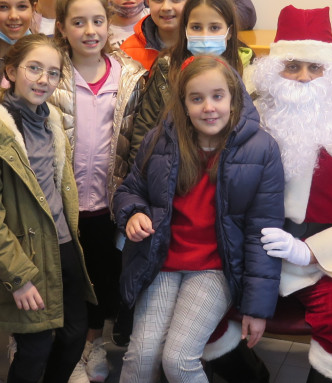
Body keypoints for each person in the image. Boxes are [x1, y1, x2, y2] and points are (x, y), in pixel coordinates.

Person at [207, 5, 332, 383]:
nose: (304, 78)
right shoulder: (248, 116)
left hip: (326, 261)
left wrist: (310, 251)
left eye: (315, 67)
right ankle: (251, 377)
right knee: (202, 310)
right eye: (292, 66)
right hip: (250, 251)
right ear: (274, 71)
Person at [114, 55, 285, 383]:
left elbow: (263, 233)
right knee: (141, 356)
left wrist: (256, 308)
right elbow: (129, 191)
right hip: (162, 262)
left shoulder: (261, 149)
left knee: (178, 360)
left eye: (218, 96)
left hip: (215, 269)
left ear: (233, 98)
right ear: (183, 104)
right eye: (197, 98)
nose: (209, 107)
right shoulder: (160, 140)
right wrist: (133, 212)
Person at [0, 34, 97, 383]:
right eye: (34, 68)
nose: (43, 80)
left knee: (73, 334)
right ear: (10, 70)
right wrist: (18, 276)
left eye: (53, 73)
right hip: (24, 252)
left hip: (62, 244)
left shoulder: (51, 120)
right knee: (35, 345)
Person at [49, 0, 148, 382]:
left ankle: (91, 346)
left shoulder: (130, 76)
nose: (90, 30)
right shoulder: (50, 74)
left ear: (109, 24)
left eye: (98, 21)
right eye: (78, 22)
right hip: (61, 203)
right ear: (62, 27)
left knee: (101, 280)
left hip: (108, 204)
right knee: (67, 281)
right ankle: (66, 351)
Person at [130, 0, 253, 166]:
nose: (204, 36)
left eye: (214, 28)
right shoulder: (166, 70)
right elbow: (143, 134)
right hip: (172, 174)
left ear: (230, 32)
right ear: (185, 29)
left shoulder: (249, 75)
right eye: (196, 27)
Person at [119, 0, 195, 71]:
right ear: (148, 0)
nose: (166, 7)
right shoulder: (128, 51)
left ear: (191, 1)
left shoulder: (202, 45)